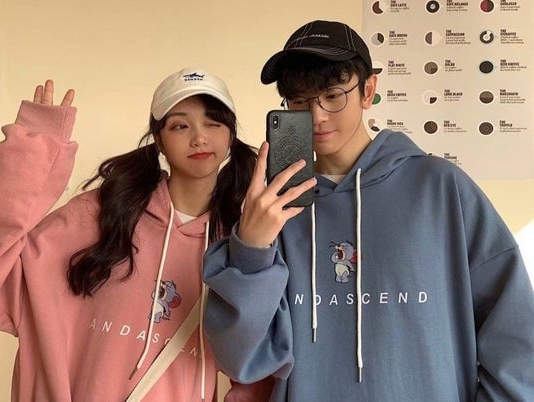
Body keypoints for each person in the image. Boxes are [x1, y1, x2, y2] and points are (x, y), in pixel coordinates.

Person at [202, 20, 534, 401]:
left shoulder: (440, 188)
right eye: (299, 101)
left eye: (332, 95)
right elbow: (242, 360)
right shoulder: (279, 209)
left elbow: (517, 334)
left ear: (368, 90)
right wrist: (251, 250)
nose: (317, 115)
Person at [0, 67, 272, 401]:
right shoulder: (101, 214)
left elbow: (255, 369)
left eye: (213, 123)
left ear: (230, 135)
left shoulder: (240, 243)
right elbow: (5, 265)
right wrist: (28, 160)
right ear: (159, 140)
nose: (199, 138)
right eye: (180, 125)